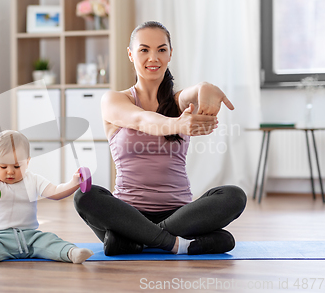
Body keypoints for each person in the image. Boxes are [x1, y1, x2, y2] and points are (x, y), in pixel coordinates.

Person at [74, 21, 247, 256]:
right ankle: (177, 243)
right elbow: (142, 120)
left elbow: (193, 93)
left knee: (234, 196)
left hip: (179, 214)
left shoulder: (178, 102)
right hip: (127, 214)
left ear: (170, 54)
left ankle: (138, 240)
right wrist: (177, 123)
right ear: (131, 54)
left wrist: (205, 87)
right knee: (85, 195)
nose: (153, 57)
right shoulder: (114, 100)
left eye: (161, 50)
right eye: (144, 50)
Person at [0, 130, 94, 267]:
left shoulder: (33, 180)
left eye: (17, 166)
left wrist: (74, 183)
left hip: (31, 237)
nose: (10, 171)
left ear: (27, 162)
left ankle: (71, 253)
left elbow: (55, 192)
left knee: (50, 240)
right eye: (3, 166)